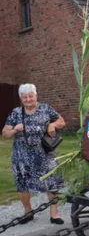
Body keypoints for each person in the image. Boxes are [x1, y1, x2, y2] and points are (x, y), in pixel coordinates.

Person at [2, 84, 66, 224]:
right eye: (25, 97)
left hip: (45, 154)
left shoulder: (46, 109)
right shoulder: (16, 113)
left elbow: (61, 121)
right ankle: (27, 211)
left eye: (31, 96)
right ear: (21, 99)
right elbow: (5, 133)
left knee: (52, 181)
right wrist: (14, 130)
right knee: (22, 182)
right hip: (22, 155)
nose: (29, 99)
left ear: (35, 96)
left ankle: (54, 213)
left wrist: (52, 125)